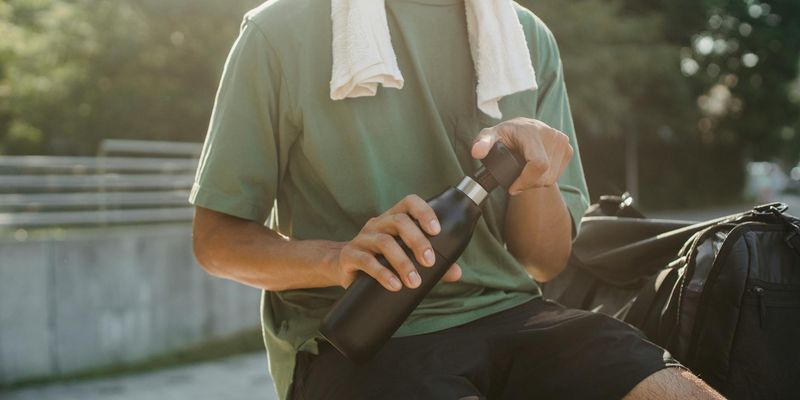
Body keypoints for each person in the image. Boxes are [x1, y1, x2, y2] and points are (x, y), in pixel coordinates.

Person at [190, 0, 723, 398]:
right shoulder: (279, 31)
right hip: (357, 338)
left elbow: (544, 262)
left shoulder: (524, 37)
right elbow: (217, 241)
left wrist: (535, 176)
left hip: (513, 314)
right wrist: (339, 257)